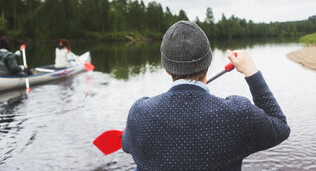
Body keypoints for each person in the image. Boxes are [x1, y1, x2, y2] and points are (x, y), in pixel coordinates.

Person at [122, 21, 290, 170]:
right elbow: (280, 127)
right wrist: (251, 72)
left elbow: (126, 145)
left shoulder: (139, 113)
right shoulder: (238, 113)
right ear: (209, 63)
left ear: (166, 68)